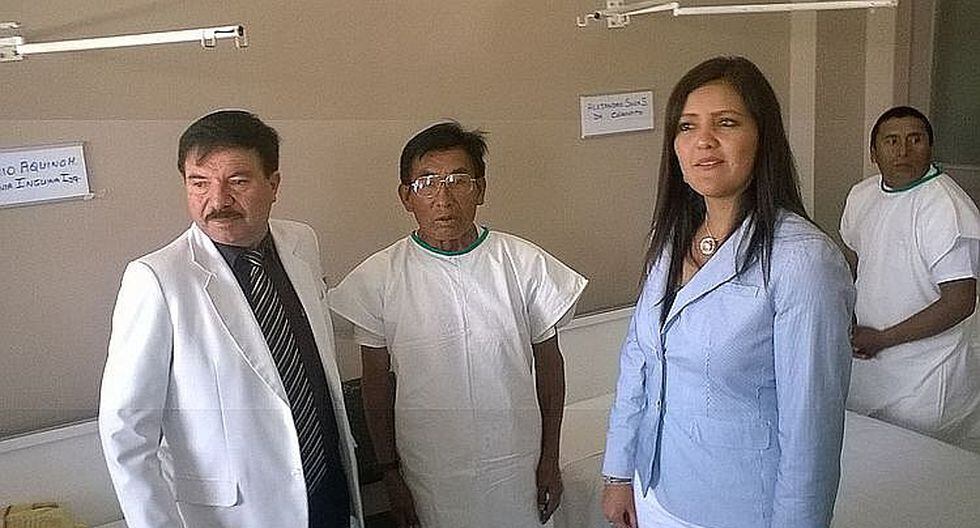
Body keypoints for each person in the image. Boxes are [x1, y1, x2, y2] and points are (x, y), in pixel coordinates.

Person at [601, 56, 854, 528]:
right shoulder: (671, 240)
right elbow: (638, 360)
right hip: (655, 490)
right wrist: (618, 471)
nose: (703, 140)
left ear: (763, 138)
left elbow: (811, 426)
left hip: (739, 508)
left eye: (727, 123)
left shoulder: (802, 260)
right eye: (687, 126)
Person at [98, 110, 362, 527]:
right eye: (199, 183)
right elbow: (126, 433)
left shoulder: (300, 242)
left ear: (273, 184)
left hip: (329, 491)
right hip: (239, 513)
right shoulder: (158, 280)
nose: (218, 201)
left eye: (238, 182)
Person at [329, 121, 587, 528]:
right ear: (406, 197)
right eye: (427, 183)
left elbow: (550, 367)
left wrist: (550, 458)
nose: (443, 198)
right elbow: (375, 384)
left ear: (480, 190)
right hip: (430, 467)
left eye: (458, 181)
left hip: (516, 460)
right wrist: (390, 473)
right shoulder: (379, 277)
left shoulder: (523, 263)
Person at [840, 106, 980, 452]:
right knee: (872, 458)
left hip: (929, 374)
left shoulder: (945, 207)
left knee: (922, 464)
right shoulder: (862, 195)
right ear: (874, 153)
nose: (903, 151)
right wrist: (847, 318)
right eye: (891, 141)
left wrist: (883, 338)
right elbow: (854, 262)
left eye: (915, 140)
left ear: (930, 147)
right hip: (870, 360)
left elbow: (960, 301)